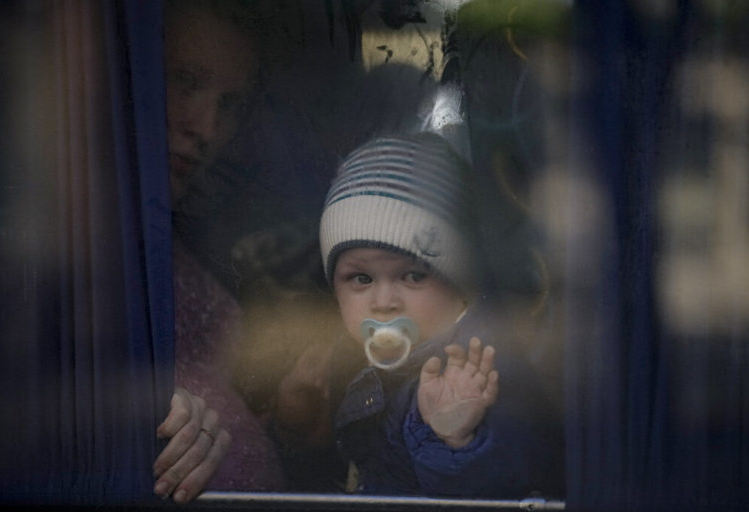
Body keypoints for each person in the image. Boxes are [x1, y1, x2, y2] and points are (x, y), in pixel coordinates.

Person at [317, 132, 564, 498]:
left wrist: (456, 440)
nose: (384, 301)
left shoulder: (481, 369)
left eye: (414, 276)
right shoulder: (351, 360)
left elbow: (510, 485)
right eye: (361, 278)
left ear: (461, 283)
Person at [152, 0, 285, 503]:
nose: (206, 128)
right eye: (184, 81)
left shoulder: (192, 242)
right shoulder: (44, 248)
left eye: (229, 106)